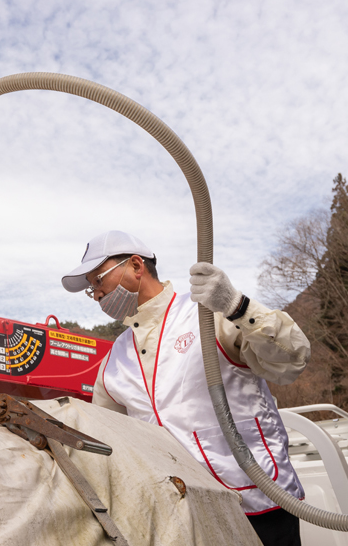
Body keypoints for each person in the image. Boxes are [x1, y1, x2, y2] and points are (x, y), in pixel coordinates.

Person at [61, 230, 310, 546]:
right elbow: (103, 438)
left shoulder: (206, 313)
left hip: (259, 505)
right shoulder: (114, 361)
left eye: (99, 280)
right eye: (90, 289)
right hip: (181, 522)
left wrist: (237, 306)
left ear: (137, 266)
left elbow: (293, 359)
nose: (95, 293)